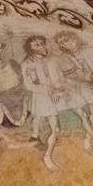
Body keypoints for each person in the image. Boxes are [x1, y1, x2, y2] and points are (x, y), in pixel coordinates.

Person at [18, 35, 69, 170]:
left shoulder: (51, 60)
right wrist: (49, 90)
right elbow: (30, 85)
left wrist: (59, 91)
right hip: (42, 97)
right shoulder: (28, 64)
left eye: (42, 44)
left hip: (55, 96)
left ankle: (36, 139)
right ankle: (47, 156)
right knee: (52, 126)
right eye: (37, 45)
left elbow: (60, 78)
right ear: (29, 48)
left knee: (45, 122)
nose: (41, 47)